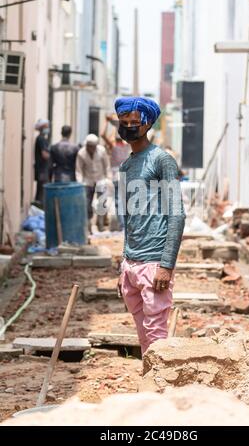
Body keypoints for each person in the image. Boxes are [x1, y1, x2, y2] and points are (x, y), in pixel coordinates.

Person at [115, 97, 186, 356]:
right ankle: (150, 384)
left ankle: (159, 388)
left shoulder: (161, 160)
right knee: (144, 335)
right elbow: (130, 218)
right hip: (132, 264)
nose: (129, 126)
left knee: (157, 336)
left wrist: (166, 265)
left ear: (147, 125)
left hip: (154, 262)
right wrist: (125, 262)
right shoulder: (126, 165)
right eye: (124, 122)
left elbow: (177, 214)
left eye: (135, 122)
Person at [76, 134, 111, 232]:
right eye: (89, 146)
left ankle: (100, 225)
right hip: (88, 181)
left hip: (100, 179)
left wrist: (108, 179)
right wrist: (80, 183)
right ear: (86, 145)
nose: (91, 148)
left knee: (101, 203)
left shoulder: (102, 151)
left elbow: (107, 166)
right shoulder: (81, 153)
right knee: (87, 204)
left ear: (96, 146)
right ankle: (88, 226)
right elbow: (79, 170)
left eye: (93, 146)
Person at [101, 114, 130, 231]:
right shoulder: (127, 146)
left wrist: (107, 122)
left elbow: (102, 135)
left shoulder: (112, 146)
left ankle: (123, 226)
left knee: (119, 201)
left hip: (116, 176)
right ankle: (126, 226)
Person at [34, 119, 50, 206]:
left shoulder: (42, 138)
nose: (48, 128)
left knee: (40, 191)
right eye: (46, 127)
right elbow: (45, 155)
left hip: (42, 170)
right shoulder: (41, 139)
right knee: (42, 193)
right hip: (42, 170)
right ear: (42, 128)